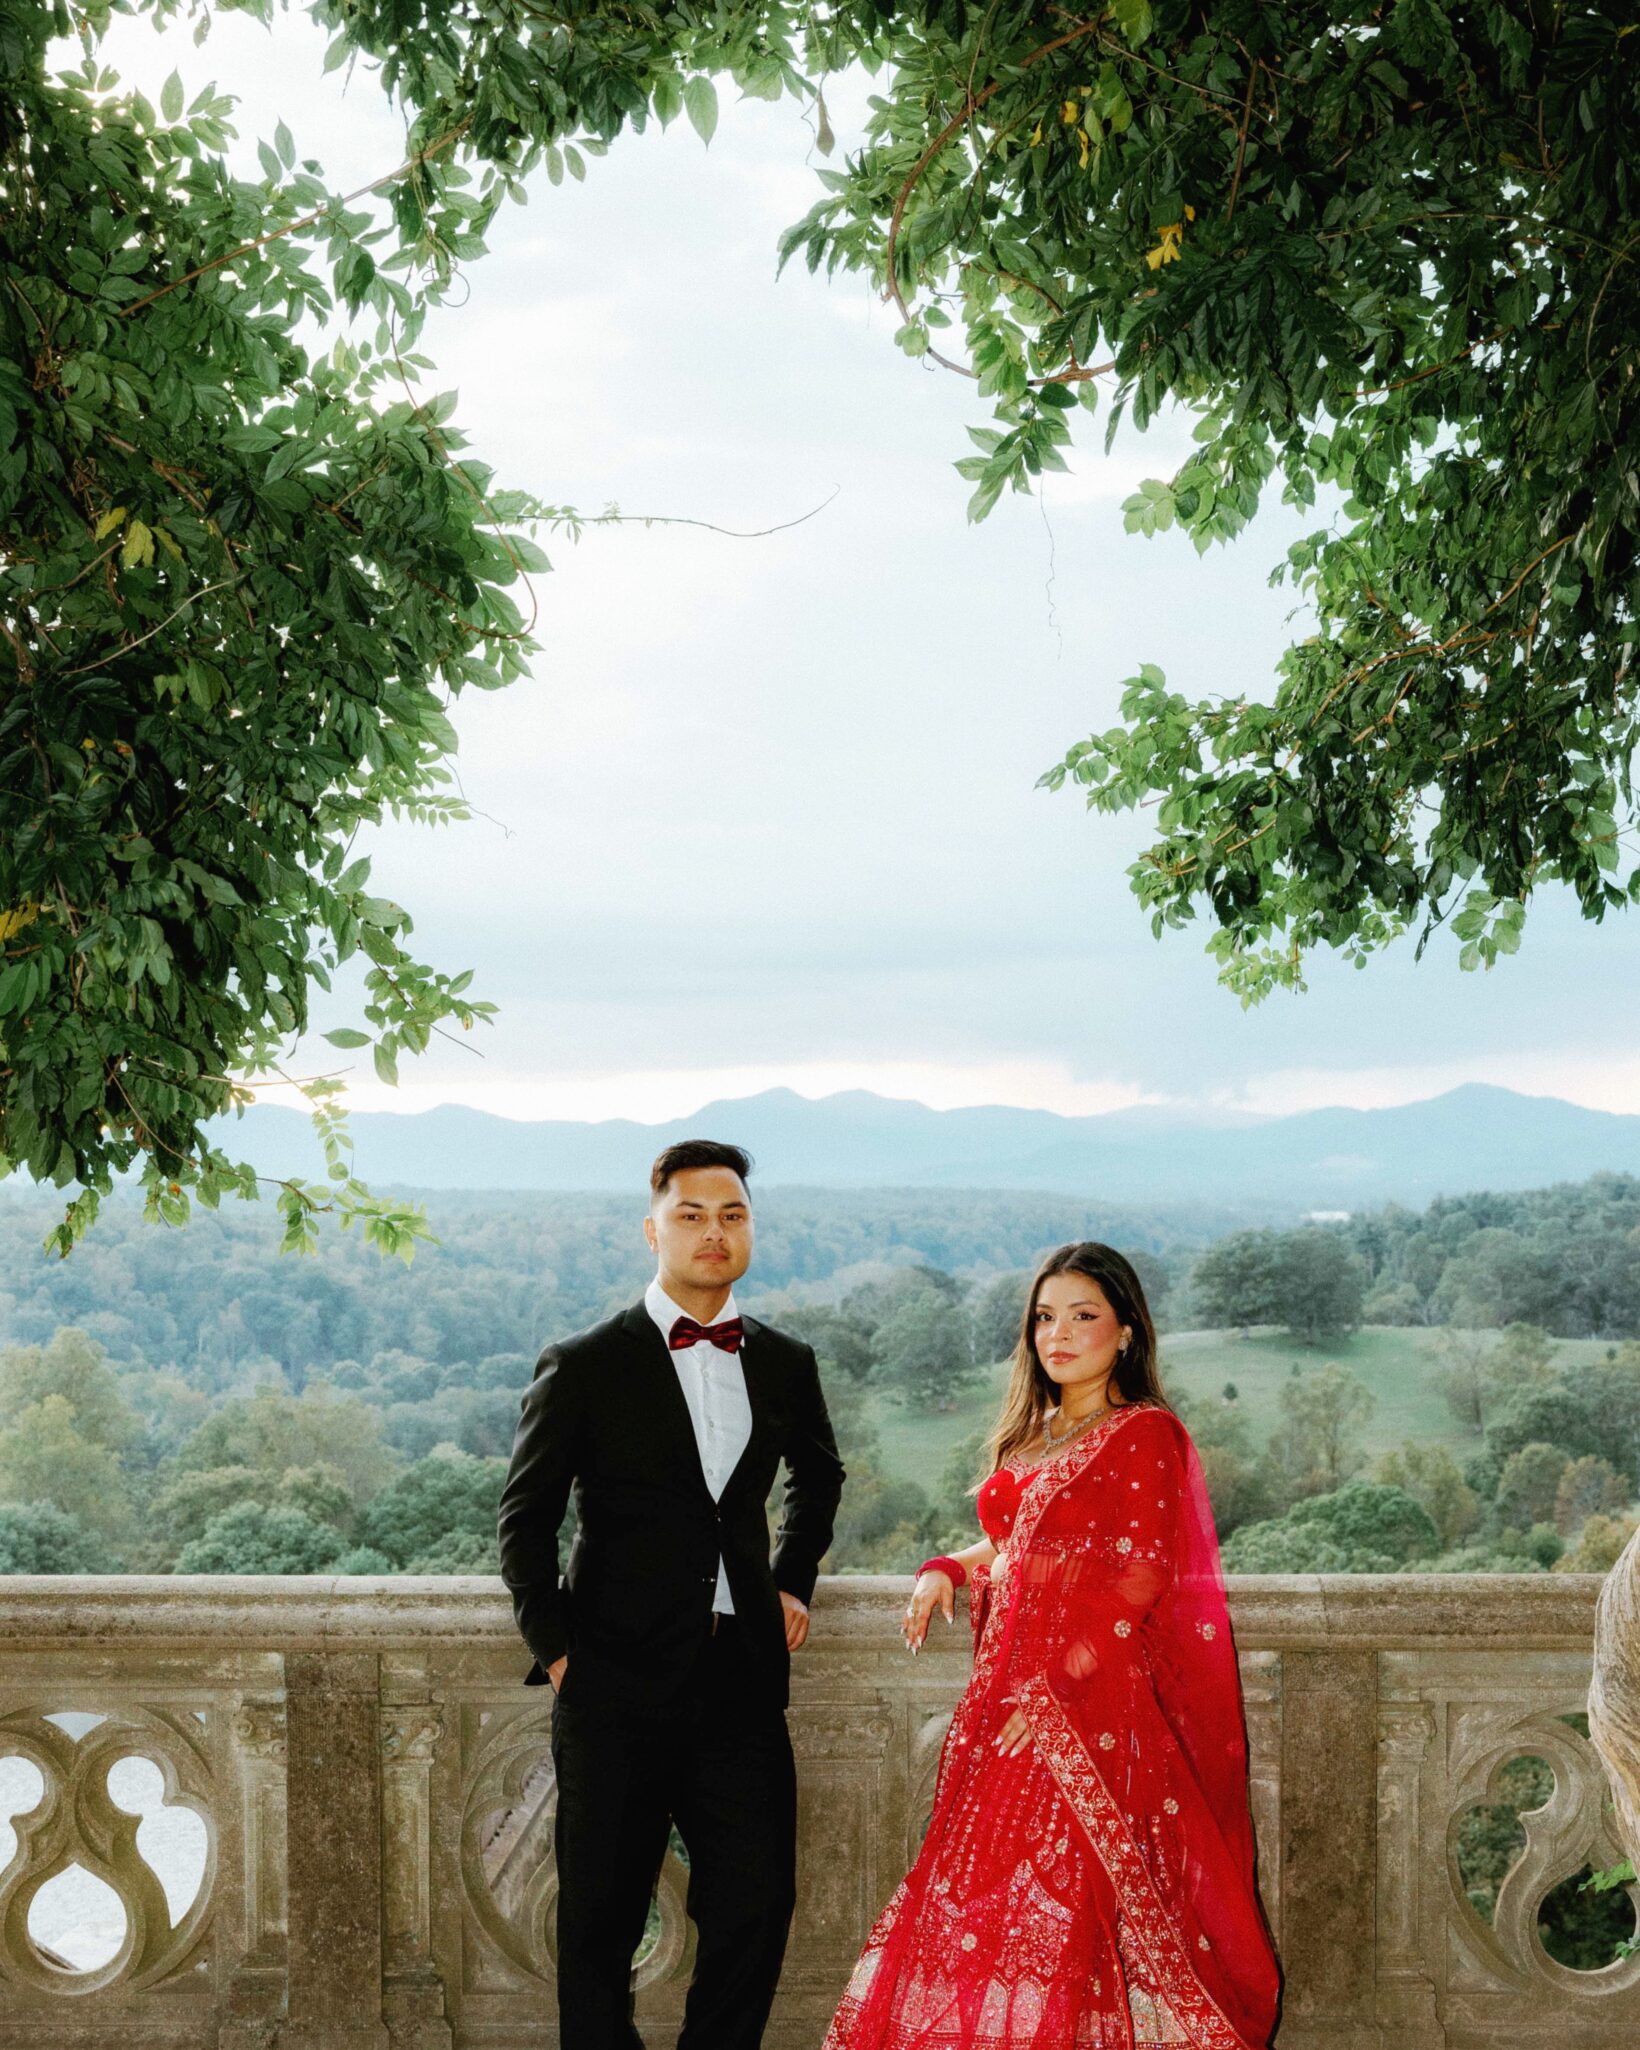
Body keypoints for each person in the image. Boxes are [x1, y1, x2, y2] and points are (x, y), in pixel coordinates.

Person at [823, 1242, 1281, 2050]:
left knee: (1073, 1921)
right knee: (986, 1918)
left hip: (1081, 1715)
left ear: (1128, 1331)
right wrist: (944, 1569)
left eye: (1083, 1316)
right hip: (1003, 1706)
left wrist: (1058, 1689)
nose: (1058, 1335)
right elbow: (1011, 1544)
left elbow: (1139, 1579)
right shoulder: (1035, 1435)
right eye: (1044, 1317)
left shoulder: (1144, 1434)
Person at [498, 1138, 845, 2050]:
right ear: (652, 1230)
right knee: (599, 1926)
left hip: (741, 1682)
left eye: (732, 1215)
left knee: (758, 1905)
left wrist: (792, 1578)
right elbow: (523, 1519)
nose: (713, 1233)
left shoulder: (783, 1359)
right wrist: (561, 1649)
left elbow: (820, 1476)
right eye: (691, 1215)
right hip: (614, 1682)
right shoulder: (581, 1363)